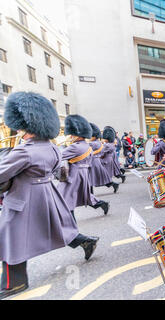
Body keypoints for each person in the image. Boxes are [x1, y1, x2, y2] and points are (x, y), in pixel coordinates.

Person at [0, 92, 99, 299]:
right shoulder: (52, 148)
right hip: (46, 193)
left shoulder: (23, 151)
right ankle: (84, 241)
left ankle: (14, 283)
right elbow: (57, 170)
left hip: (23, 197)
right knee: (57, 226)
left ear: (25, 124)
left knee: (11, 236)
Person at [57, 115, 110, 218]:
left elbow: (57, 156)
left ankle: (72, 230)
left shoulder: (75, 147)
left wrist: (59, 146)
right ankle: (102, 204)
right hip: (83, 174)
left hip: (73, 175)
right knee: (84, 196)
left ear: (78, 135)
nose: (70, 136)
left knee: (63, 198)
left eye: (72, 134)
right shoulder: (87, 146)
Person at [88, 123, 119, 193]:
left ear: (94, 136)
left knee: (91, 179)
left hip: (93, 162)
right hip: (96, 161)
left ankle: (90, 195)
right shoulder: (98, 142)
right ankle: (114, 185)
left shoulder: (93, 143)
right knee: (101, 178)